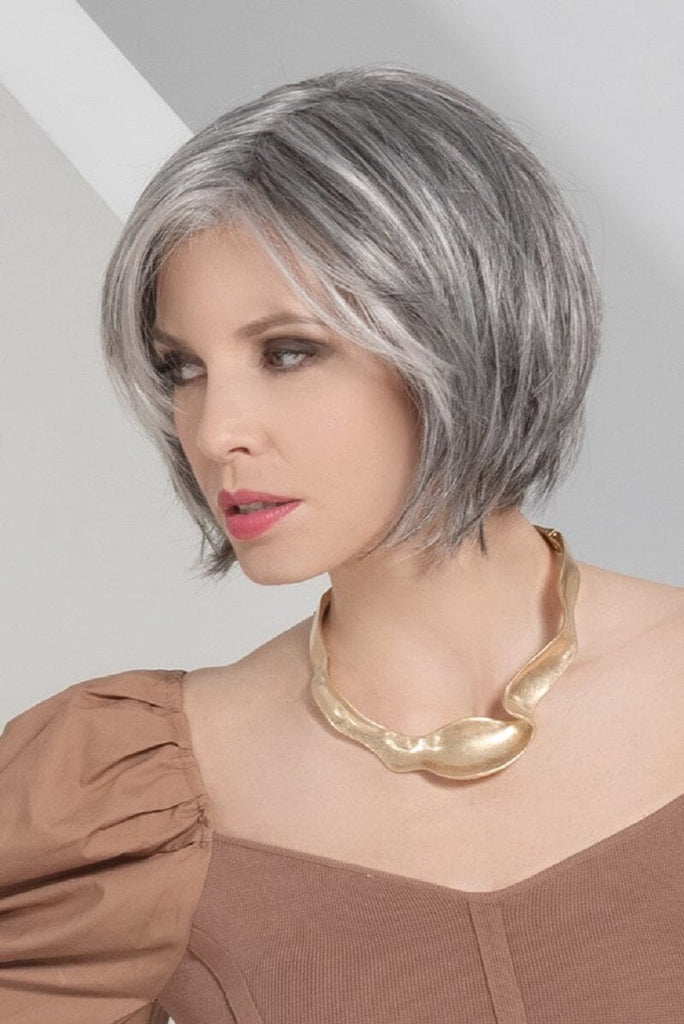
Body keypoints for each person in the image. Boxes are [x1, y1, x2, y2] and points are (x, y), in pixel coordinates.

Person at [1, 64, 682, 1023]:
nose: (214, 430)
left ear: (464, 333)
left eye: (288, 352)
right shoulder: (122, 797)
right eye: (182, 368)